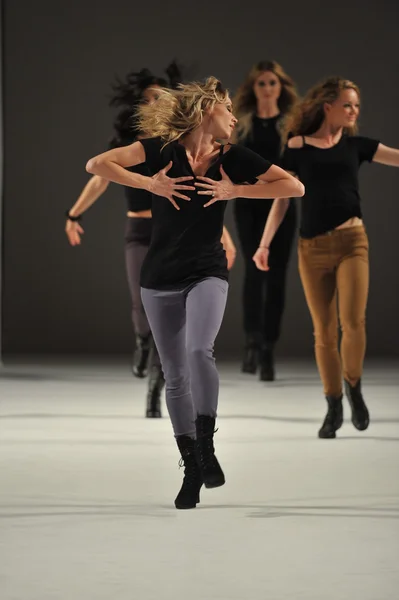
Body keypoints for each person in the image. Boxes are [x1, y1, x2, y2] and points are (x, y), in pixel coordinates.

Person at [85, 76, 304, 509]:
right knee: (174, 373)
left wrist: (234, 190)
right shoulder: (157, 151)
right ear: (207, 111)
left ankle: (207, 447)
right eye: (228, 111)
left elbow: (294, 187)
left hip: (207, 271)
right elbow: (97, 164)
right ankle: (191, 466)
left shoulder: (232, 157)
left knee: (199, 350)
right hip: (159, 277)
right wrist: (151, 184)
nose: (234, 119)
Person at [65, 64, 235, 417]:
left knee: (170, 318)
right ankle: (142, 341)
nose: (156, 100)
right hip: (138, 232)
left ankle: (156, 389)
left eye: (162, 95)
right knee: (142, 311)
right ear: (139, 105)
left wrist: (224, 237)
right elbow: (98, 178)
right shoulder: (136, 146)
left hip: (171, 233)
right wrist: (74, 214)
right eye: (149, 97)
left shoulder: (179, 147)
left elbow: (201, 201)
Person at [253, 76, 399, 439]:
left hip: (353, 241)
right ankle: (333, 405)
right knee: (323, 332)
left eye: (357, 106)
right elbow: (282, 197)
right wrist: (264, 244)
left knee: (353, 322)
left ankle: (354, 386)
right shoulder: (297, 147)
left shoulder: (357, 146)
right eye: (347, 104)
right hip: (312, 248)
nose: (353, 112)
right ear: (327, 106)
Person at [232, 60, 299, 380]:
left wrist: (273, 186)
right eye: (262, 83)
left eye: (273, 83)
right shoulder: (242, 124)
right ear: (253, 88)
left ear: (280, 87)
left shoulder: (291, 125)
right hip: (248, 203)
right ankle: (252, 342)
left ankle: (269, 347)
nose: (268, 88)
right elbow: (231, 161)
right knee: (253, 271)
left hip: (282, 204)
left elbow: (293, 170)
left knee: (276, 276)